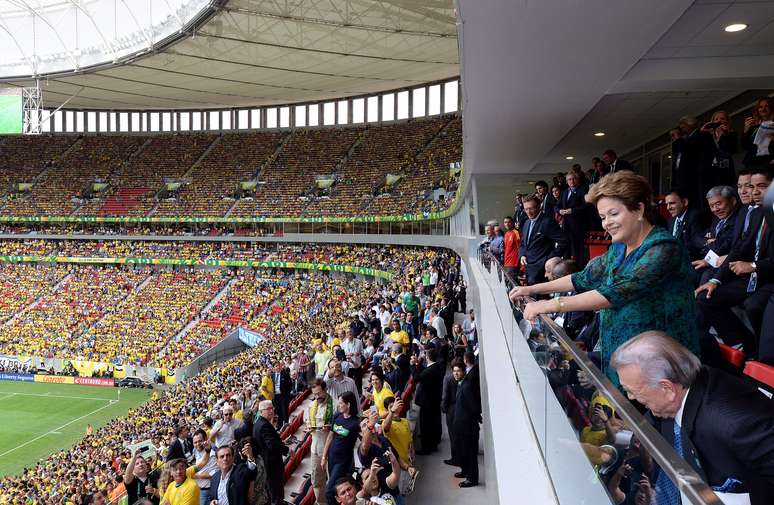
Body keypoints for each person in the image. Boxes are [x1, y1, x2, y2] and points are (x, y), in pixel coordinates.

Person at [510, 171, 700, 384]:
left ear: (639, 209)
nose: (606, 223)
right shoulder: (619, 248)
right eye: (602, 217)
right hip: (621, 360)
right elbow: (582, 278)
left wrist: (549, 305)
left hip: (661, 371)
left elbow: (615, 292)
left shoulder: (664, 249)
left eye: (613, 214)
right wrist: (531, 290)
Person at [611, 331, 774, 505]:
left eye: (633, 391)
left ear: (667, 389)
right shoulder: (677, 393)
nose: (630, 397)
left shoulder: (735, 424)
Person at [695, 167, 774, 358]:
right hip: (751, 275)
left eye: (761, 186)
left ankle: (760, 357)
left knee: (754, 306)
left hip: (768, 277)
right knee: (706, 296)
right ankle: (741, 344)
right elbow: (739, 248)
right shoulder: (756, 213)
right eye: (749, 187)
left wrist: (753, 266)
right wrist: (715, 281)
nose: (753, 192)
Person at [691, 185, 740, 284]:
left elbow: (723, 246)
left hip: (724, 263)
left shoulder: (738, 220)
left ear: (733, 201)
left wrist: (708, 258)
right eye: (711, 206)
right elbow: (696, 238)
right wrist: (708, 242)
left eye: (718, 204)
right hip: (708, 259)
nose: (715, 209)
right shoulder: (717, 218)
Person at [321, 391, 361, 505]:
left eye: (341, 403)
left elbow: (364, 439)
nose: (338, 405)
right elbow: (330, 436)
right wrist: (324, 456)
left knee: (329, 492)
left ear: (348, 404)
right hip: (332, 458)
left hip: (343, 462)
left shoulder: (355, 422)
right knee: (336, 488)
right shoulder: (337, 416)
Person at [518, 195, 568, 285]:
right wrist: (522, 255)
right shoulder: (526, 223)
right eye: (526, 209)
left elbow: (564, 240)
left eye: (531, 208)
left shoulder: (547, 222)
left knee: (541, 297)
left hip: (542, 269)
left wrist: (548, 259)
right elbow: (523, 243)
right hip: (528, 267)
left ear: (539, 207)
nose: (528, 212)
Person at [451, 361, 481, 488]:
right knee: (463, 451)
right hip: (461, 426)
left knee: (470, 454)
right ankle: (465, 471)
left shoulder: (467, 386)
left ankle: (472, 479)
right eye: (454, 371)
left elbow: (474, 407)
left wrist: (474, 419)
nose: (456, 374)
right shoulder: (461, 383)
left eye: (458, 371)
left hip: (468, 428)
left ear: (463, 371)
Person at [252, 400, 288, 505]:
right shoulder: (264, 425)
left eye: (272, 408)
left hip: (268, 465)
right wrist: (287, 450)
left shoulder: (260, 422)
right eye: (268, 409)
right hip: (271, 466)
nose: (271, 411)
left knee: (274, 494)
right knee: (276, 495)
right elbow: (272, 445)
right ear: (261, 411)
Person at [411, 347, 445, 455]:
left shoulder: (431, 370)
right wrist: (418, 364)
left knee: (426, 424)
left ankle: (427, 448)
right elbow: (424, 372)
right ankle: (433, 444)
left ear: (427, 357)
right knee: (433, 423)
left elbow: (417, 378)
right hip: (433, 400)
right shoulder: (435, 367)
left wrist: (413, 365)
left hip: (427, 401)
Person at [306, 379, 334, 505]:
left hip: (331, 449)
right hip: (315, 448)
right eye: (314, 394)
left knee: (334, 479)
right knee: (317, 479)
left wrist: (331, 427)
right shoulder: (311, 406)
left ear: (325, 390)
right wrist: (309, 427)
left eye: (319, 393)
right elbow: (306, 421)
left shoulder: (336, 404)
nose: (317, 397)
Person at [556, 171, 589, 267]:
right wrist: (559, 211)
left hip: (578, 224)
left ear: (578, 180)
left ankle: (579, 267)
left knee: (578, 247)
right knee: (567, 245)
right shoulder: (564, 192)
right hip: (566, 224)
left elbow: (586, 206)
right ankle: (566, 267)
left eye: (574, 179)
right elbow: (557, 206)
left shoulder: (583, 190)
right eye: (569, 179)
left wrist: (572, 210)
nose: (572, 181)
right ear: (567, 181)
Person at [665, 188, 703, 260]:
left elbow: (695, 245)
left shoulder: (695, 217)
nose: (668, 208)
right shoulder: (671, 220)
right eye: (667, 204)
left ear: (685, 202)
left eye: (672, 203)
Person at [502, 215, 521, 279]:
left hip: (513, 264)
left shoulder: (516, 233)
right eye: (505, 222)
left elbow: (520, 248)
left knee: (512, 283)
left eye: (509, 222)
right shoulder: (506, 234)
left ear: (512, 223)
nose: (507, 224)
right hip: (506, 263)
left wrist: (522, 265)